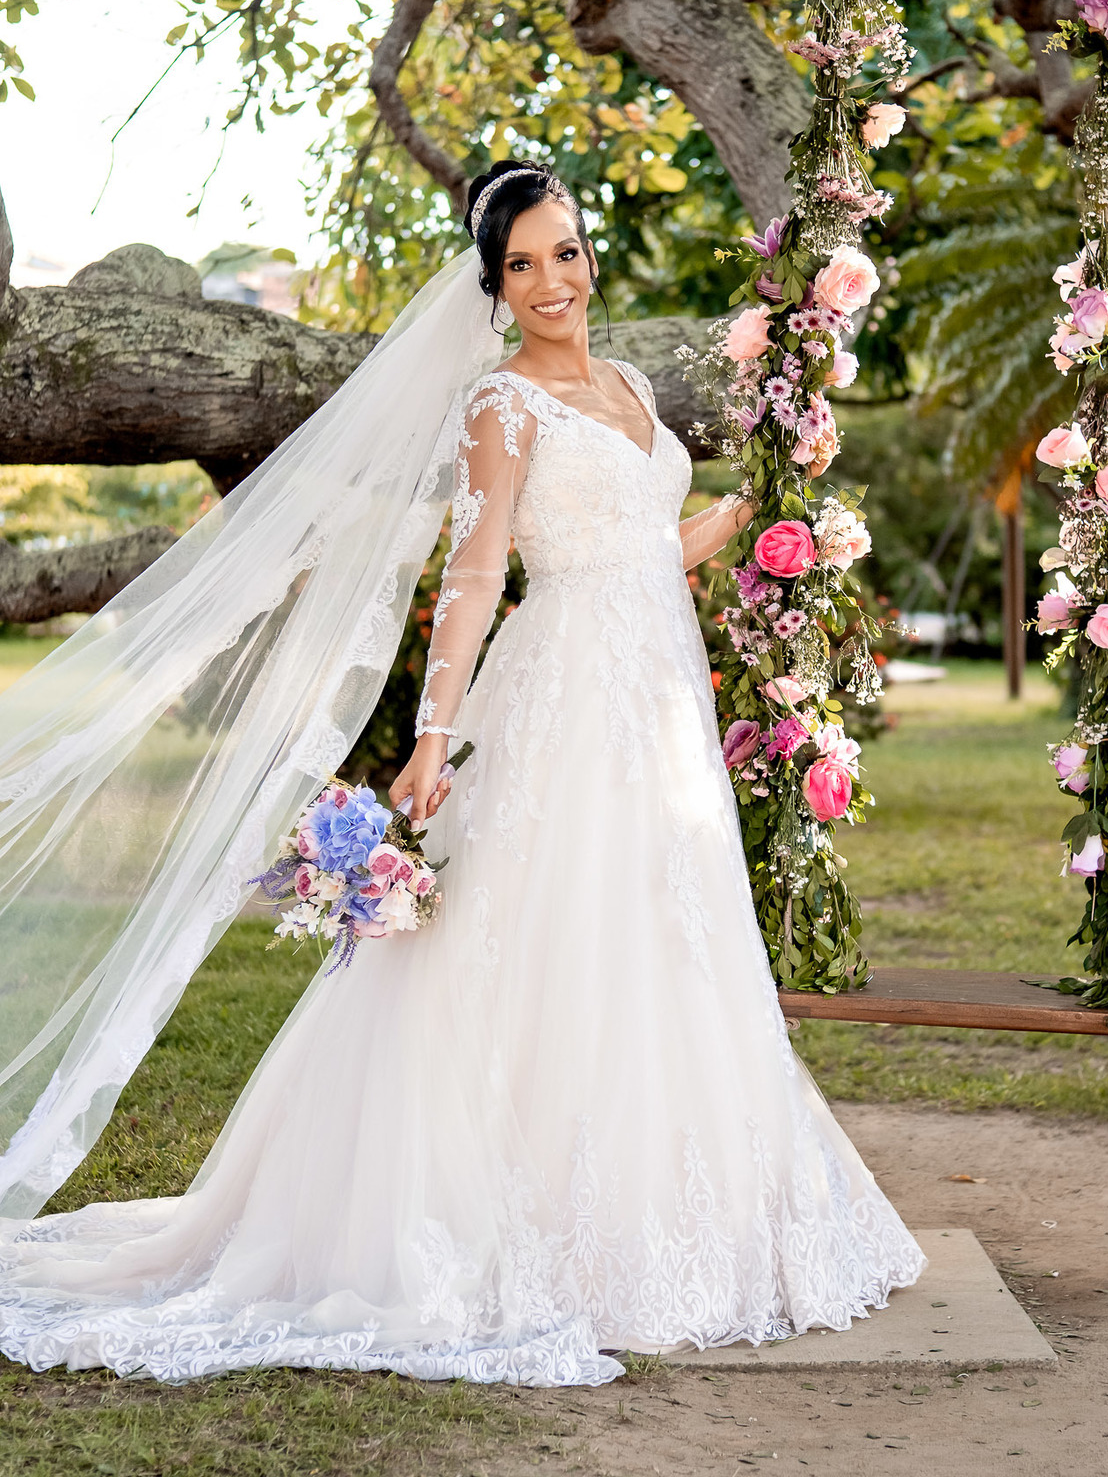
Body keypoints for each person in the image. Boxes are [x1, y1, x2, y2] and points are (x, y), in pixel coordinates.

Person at [0, 161, 923, 1386]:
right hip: (562, 698)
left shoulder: (635, 386)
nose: (553, 280)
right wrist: (433, 738)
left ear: (591, 255)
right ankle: (526, 1220)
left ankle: (698, 1212)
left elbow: (651, 548)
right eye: (523, 265)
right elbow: (480, 573)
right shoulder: (503, 406)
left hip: (660, 702)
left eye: (567, 251)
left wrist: (769, 502)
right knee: (544, 936)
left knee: (667, 931)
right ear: (493, 287)